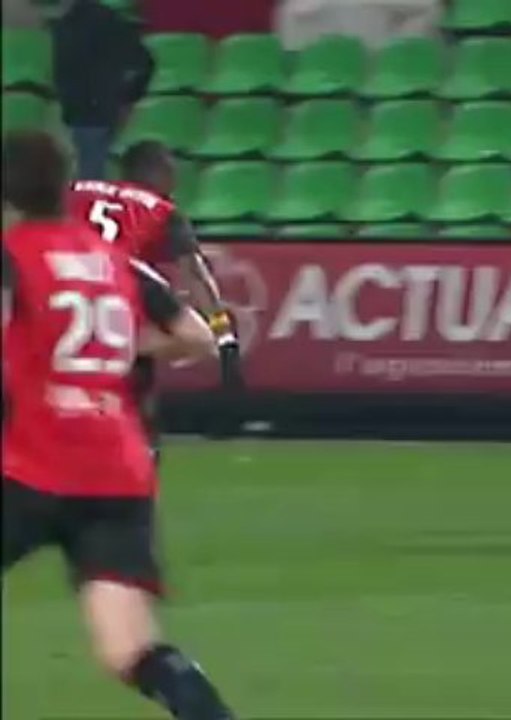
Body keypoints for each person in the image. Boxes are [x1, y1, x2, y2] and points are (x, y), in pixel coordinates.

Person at [2, 129, 235, 719]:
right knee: (129, 647)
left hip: (30, 465)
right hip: (116, 472)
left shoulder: (14, 255)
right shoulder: (116, 263)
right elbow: (196, 337)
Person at [66, 140, 243, 452]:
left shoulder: (76, 189)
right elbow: (196, 275)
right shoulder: (161, 210)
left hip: (67, 281)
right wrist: (225, 336)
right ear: (159, 173)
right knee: (192, 343)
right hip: (121, 284)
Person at [49, 0, 154, 179]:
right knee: (88, 170)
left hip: (92, 112)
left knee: (90, 174)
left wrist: (128, 96)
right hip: (84, 111)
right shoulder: (68, 23)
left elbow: (143, 61)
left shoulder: (97, 21)